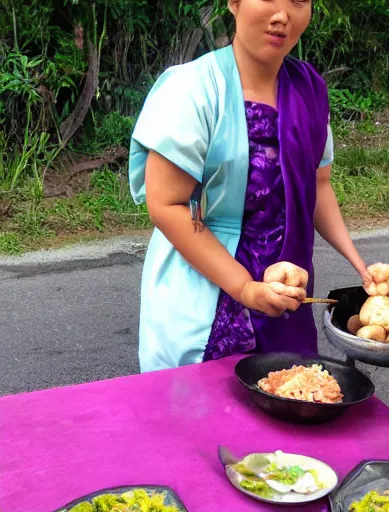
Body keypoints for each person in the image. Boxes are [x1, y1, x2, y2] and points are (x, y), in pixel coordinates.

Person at [128, 0, 374, 373]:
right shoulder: (193, 90)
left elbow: (318, 185)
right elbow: (168, 205)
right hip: (205, 292)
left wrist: (358, 263)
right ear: (234, 3)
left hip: (282, 291)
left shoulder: (308, 92)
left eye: (298, 1)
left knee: (288, 398)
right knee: (201, 418)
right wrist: (245, 289)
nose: (282, 15)